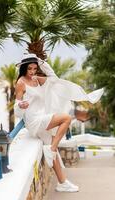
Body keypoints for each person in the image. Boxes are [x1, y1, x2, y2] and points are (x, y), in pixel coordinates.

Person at [14, 53, 104, 192]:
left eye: (34, 68)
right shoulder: (21, 82)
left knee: (52, 152)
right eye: (29, 68)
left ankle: (62, 182)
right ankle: (52, 148)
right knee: (66, 118)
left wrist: (41, 62)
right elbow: (17, 106)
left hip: (43, 117)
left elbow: (54, 79)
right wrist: (21, 106)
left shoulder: (37, 79)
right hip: (34, 121)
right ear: (24, 68)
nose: (32, 71)